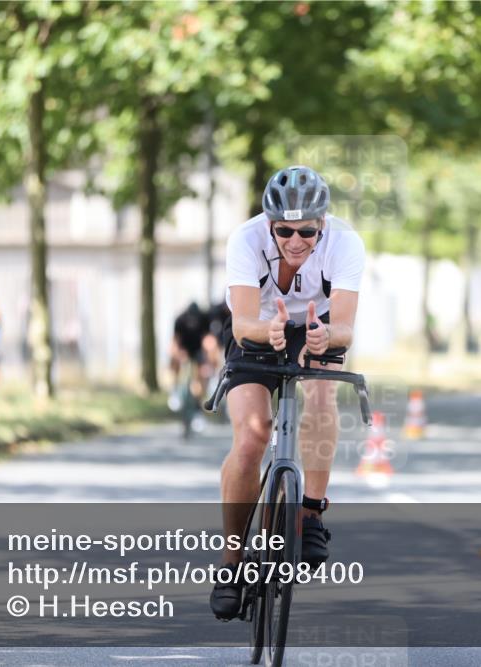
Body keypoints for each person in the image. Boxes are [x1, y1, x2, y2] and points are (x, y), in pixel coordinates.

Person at [209, 165, 365, 620]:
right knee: (253, 435)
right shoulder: (245, 239)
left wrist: (324, 337)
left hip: (317, 330)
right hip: (257, 328)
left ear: (323, 224)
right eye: (284, 230)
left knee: (319, 397)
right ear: (268, 224)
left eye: (307, 231)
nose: (296, 241)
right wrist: (269, 329)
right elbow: (241, 323)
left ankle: (311, 512)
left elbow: (347, 329)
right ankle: (232, 563)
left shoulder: (346, 243)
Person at [170, 301, 211, 406]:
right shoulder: (180, 319)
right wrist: (179, 353)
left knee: (203, 371)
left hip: (198, 349)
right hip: (184, 348)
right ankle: (175, 389)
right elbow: (176, 340)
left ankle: (200, 398)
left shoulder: (203, 318)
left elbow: (206, 338)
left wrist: (206, 356)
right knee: (175, 363)